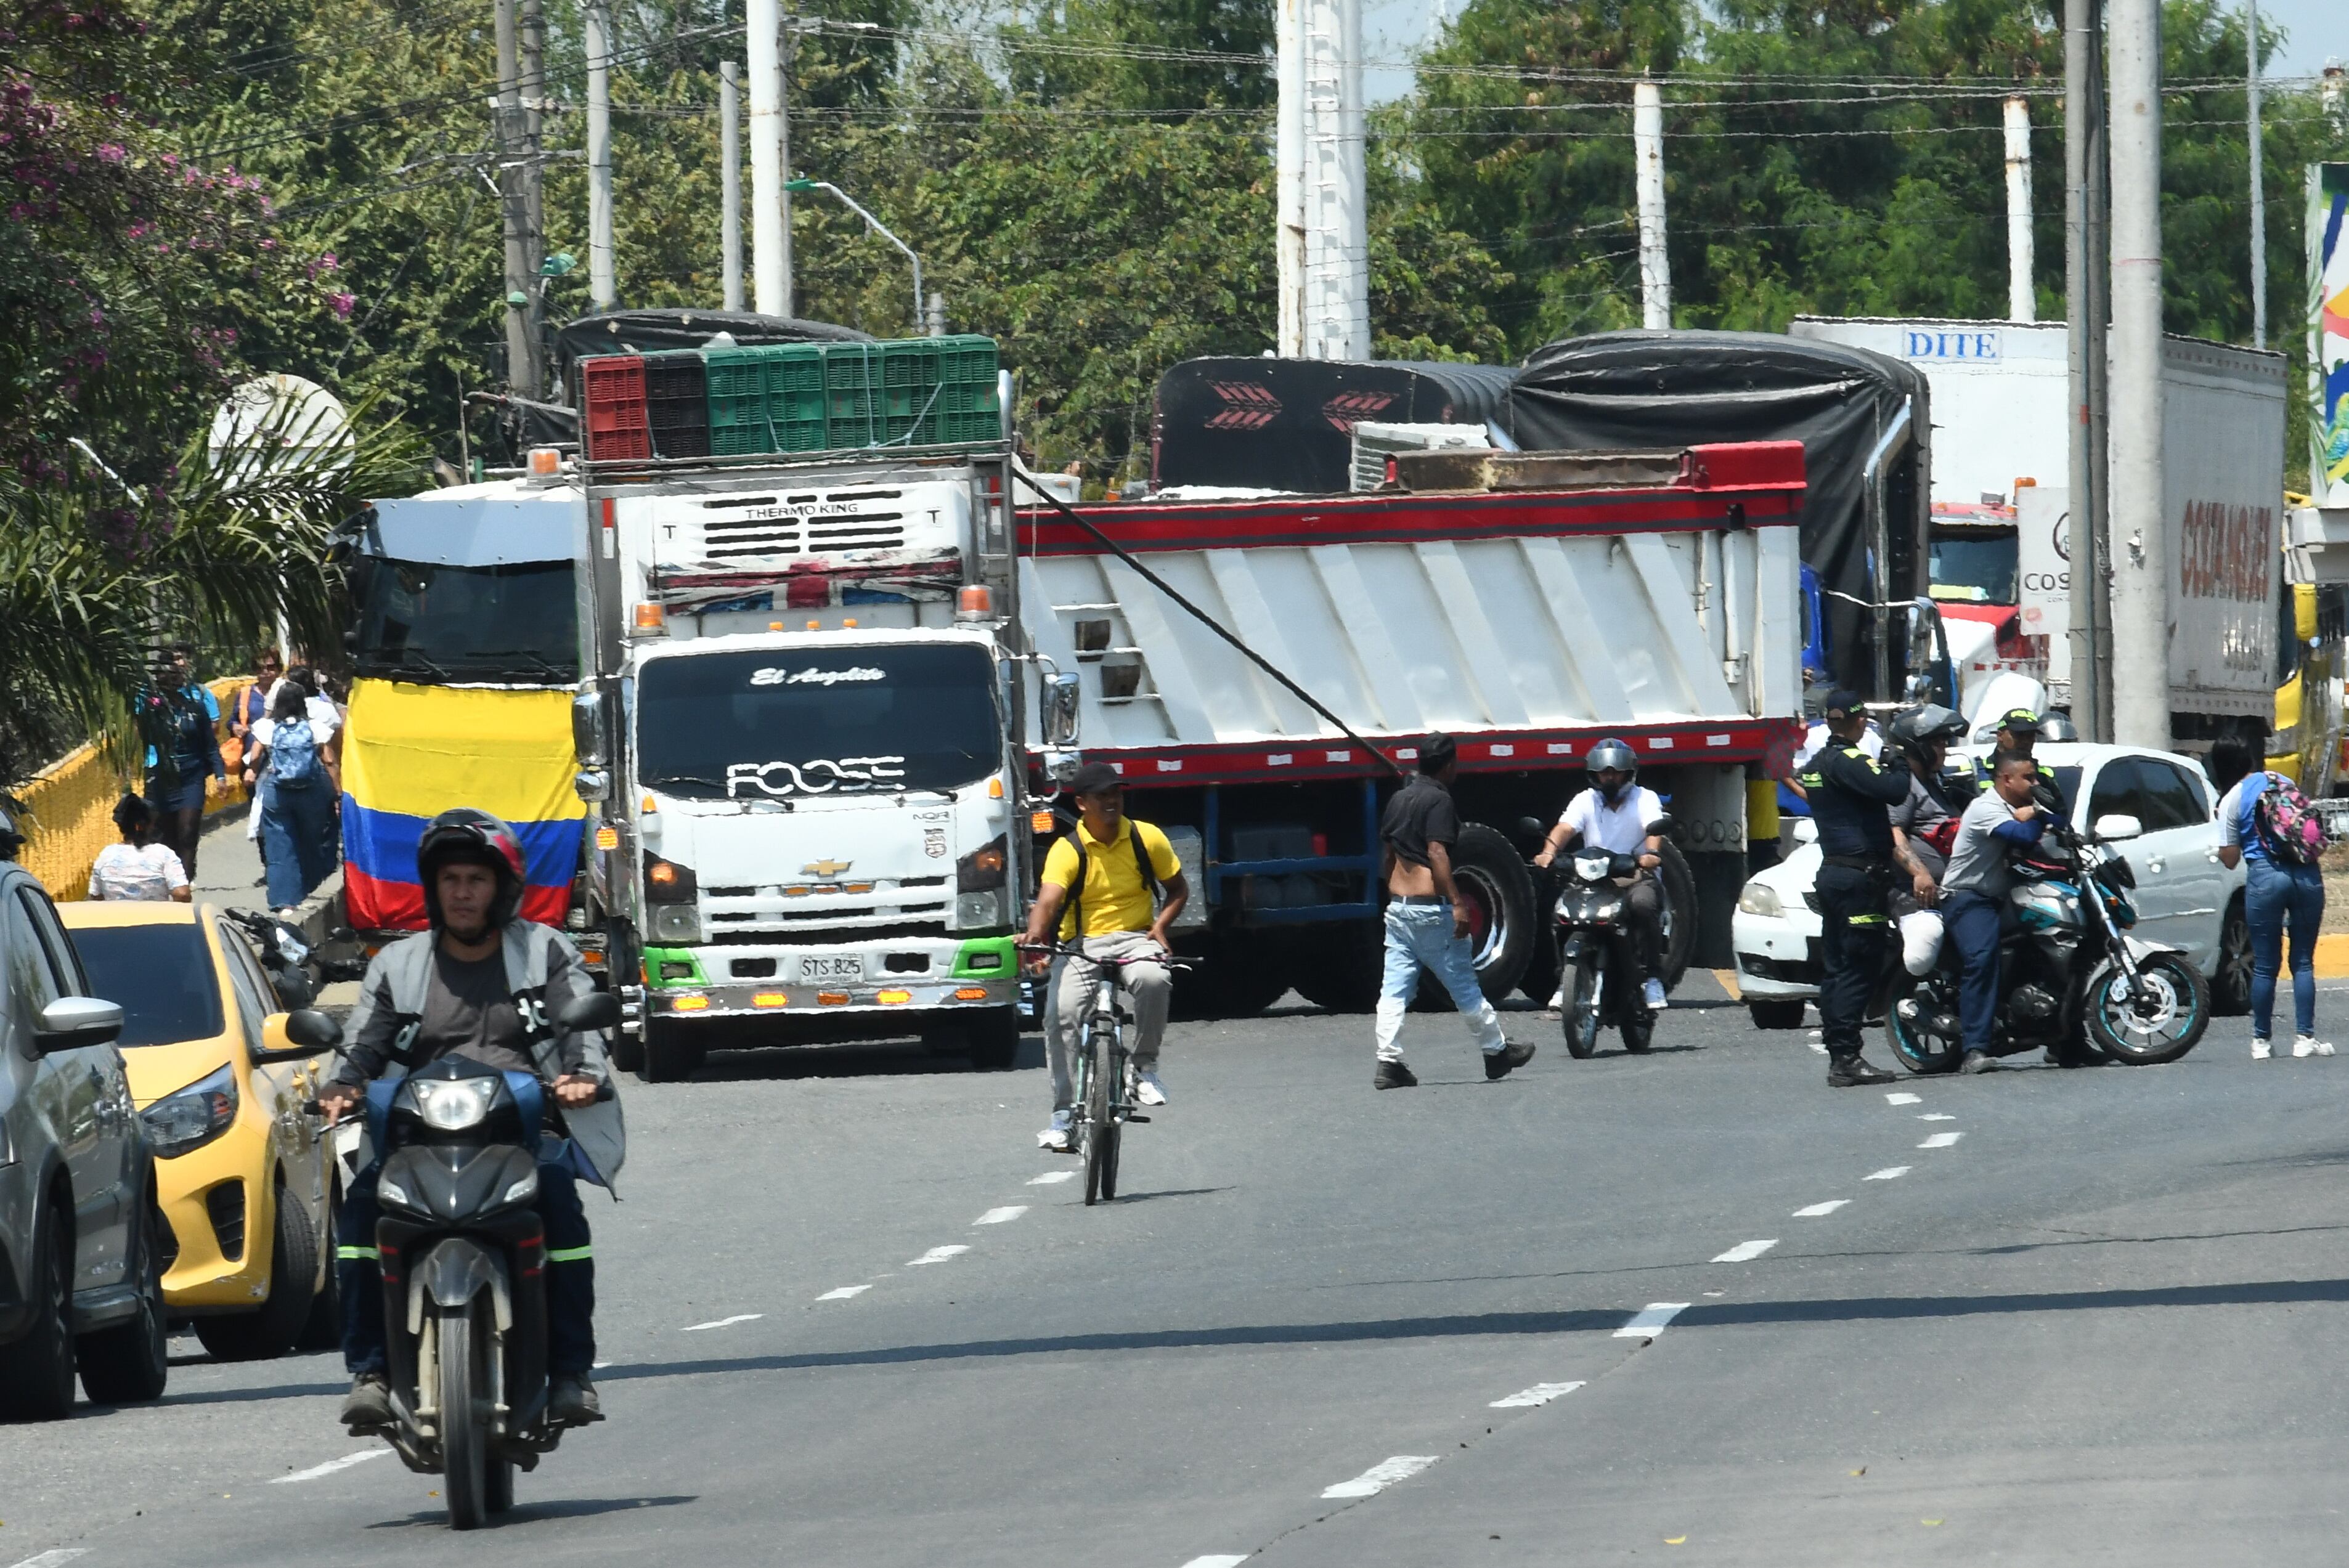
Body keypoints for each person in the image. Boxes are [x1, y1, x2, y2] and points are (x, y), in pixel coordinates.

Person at [316, 808, 614, 1432]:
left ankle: (569, 1373)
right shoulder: (398, 964)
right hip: (414, 1135)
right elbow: (364, 1042)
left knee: (559, 1204)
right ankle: (369, 1370)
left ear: (501, 887)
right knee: (361, 1208)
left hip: (524, 1129)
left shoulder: (544, 950)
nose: (462, 892)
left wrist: (582, 1079)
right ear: (433, 887)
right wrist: (342, 1085)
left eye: (475, 879)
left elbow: (577, 1025)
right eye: (450, 878)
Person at [1019, 762, 1188, 1150]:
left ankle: (1143, 1068)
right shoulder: (1068, 849)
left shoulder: (1147, 838)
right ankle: (1064, 1117)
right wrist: (1035, 933)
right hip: (1082, 943)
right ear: (1081, 803)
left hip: (1136, 937)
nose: (1112, 801)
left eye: (1116, 793)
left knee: (1154, 979)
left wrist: (1160, 928)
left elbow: (1178, 889)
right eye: (1101, 796)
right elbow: (1049, 899)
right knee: (1061, 1014)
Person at [1366, 734, 1534, 1090]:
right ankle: (1496, 1052)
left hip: (1399, 910)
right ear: (1448, 765)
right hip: (1431, 912)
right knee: (1463, 983)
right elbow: (1438, 853)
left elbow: (1387, 855)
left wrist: (1393, 895)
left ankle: (1389, 1062)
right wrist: (1458, 903)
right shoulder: (1439, 800)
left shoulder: (1399, 799)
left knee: (1394, 989)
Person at [1797, 690, 1909, 1087]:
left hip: (1835, 872)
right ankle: (1846, 1057)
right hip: (1860, 876)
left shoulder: (1816, 763)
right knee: (1857, 968)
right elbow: (1894, 789)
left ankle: (1840, 1053)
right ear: (1860, 721)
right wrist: (1897, 759)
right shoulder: (1849, 760)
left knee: (1838, 968)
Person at [2213, 739, 2332, 1060]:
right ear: (2250, 759)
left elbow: (2230, 858)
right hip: (2306, 873)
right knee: (2303, 961)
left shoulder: (2231, 800)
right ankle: (2305, 1039)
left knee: (2266, 965)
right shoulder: (2283, 782)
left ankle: (2262, 1041)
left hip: (2266, 877)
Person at [1534, 737, 1669, 1010]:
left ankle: (1651, 978)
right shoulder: (1585, 800)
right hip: (1592, 878)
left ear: (1628, 773)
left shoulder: (1645, 798)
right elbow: (1564, 828)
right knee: (1559, 912)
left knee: (1643, 904)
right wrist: (1548, 852)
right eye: (1603, 772)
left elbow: (1653, 829)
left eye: (1614, 772)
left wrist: (1651, 855)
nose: (1609, 778)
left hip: (1633, 876)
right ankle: (1565, 981)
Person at [1938, 753, 2053, 1073]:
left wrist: (2043, 813)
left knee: (2053, 946)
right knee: (1982, 957)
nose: (2035, 784)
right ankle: (1975, 1048)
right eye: (2029, 778)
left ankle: (2067, 1042)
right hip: (1968, 898)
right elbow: (2023, 836)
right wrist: (2041, 813)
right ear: (2006, 780)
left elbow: (2062, 820)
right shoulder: (1986, 808)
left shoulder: (2017, 808)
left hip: (2005, 896)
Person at [1884, 705, 1970, 975]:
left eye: (1945, 742)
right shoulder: (1905, 785)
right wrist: (1920, 872)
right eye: (1937, 743)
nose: (1943, 749)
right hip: (1915, 894)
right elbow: (1892, 832)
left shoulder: (1935, 783)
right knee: (1925, 941)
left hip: (1952, 890)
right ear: (1917, 746)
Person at [244, 684, 338, 916]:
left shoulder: (266, 727)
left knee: (279, 845)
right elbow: (329, 761)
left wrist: (253, 771)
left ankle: (283, 900)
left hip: (278, 793)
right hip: (312, 793)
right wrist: (337, 792)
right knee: (311, 842)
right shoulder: (315, 728)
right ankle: (307, 888)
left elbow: (255, 755)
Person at [137, 644, 225, 884]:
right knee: (165, 837)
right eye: (165, 676)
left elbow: (210, 743)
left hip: (191, 775)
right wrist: (155, 702)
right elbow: (141, 726)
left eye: (175, 675)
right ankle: (166, 879)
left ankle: (184, 884)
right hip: (161, 774)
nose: (171, 680)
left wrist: (220, 775)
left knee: (187, 832)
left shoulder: (195, 707)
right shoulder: (150, 704)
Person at [88, 794, 191, 903]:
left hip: (116, 918)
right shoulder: (163, 854)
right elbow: (182, 894)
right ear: (144, 826)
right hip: (157, 918)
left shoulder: (106, 854)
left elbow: (95, 896)